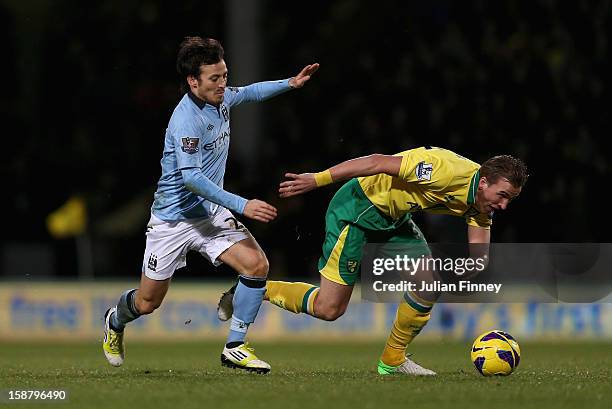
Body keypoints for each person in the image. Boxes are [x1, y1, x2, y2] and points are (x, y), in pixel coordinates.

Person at [102, 36, 319, 374]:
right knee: (147, 303)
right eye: (214, 78)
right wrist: (242, 203)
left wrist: (289, 83)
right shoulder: (186, 120)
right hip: (173, 221)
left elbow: (249, 92)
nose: (223, 84)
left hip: (210, 214)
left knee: (257, 266)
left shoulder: (220, 99)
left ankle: (235, 347)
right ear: (193, 81)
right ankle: (115, 320)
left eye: (225, 75)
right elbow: (193, 179)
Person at [217, 146, 527, 375]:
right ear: (484, 181)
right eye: (502, 196)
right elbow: (377, 162)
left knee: (428, 284)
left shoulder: (482, 205)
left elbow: (478, 257)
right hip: (356, 211)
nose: (504, 205)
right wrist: (318, 180)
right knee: (329, 309)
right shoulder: (443, 169)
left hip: (394, 220)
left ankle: (393, 360)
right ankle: (256, 291)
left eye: (510, 200)